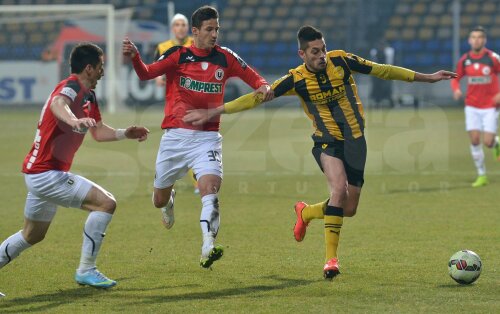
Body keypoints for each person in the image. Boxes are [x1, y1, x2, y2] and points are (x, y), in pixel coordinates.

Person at [183, 25, 456, 279]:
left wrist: (428, 78)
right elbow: (256, 97)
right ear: (302, 53)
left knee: (348, 208)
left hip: (356, 142)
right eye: (315, 51)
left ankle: (306, 213)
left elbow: (382, 70)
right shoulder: (295, 79)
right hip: (326, 142)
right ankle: (331, 261)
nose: (322, 55)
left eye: (323, 49)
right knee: (338, 190)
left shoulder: (342, 61)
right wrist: (214, 111)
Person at [123, 6, 272, 268]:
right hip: (175, 138)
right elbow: (146, 73)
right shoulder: (178, 56)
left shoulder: (226, 58)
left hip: (208, 138)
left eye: (217, 29)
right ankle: (169, 201)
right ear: (195, 31)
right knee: (158, 199)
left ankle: (207, 245)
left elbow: (255, 79)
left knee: (210, 190)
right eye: (209, 29)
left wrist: (265, 87)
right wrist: (136, 57)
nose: (215, 34)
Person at [0, 43, 149, 292]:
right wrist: (74, 120)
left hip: (40, 173)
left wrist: (126, 133)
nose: (103, 71)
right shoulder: (71, 86)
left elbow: (99, 132)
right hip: (47, 173)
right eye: (101, 66)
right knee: (106, 203)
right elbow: (59, 104)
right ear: (89, 68)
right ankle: (86, 270)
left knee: (32, 234)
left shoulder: (88, 95)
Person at [153, 13, 199, 194]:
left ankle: (197, 183)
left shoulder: (195, 46)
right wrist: (158, 78)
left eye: (183, 25)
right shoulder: (163, 47)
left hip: (194, 101)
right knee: (182, 144)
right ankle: (167, 183)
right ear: (173, 28)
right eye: (177, 25)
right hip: (174, 103)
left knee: (195, 141)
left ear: (187, 28)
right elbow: (156, 69)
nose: (180, 28)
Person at [451, 26, 500, 187]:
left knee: (487, 142)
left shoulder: (493, 58)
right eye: (473, 37)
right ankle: (482, 175)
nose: (476, 40)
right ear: (469, 40)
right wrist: (456, 89)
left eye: (479, 37)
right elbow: (455, 78)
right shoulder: (465, 60)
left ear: (484, 40)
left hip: (490, 106)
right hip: (471, 105)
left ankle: (495, 143)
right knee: (474, 140)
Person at [369, 40, 395, 107]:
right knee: (377, 89)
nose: (381, 47)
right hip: (377, 74)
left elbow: (390, 62)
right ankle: (377, 103)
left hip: (387, 72)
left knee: (387, 88)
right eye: (380, 46)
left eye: (382, 46)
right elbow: (373, 62)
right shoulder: (374, 52)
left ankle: (391, 103)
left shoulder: (389, 52)